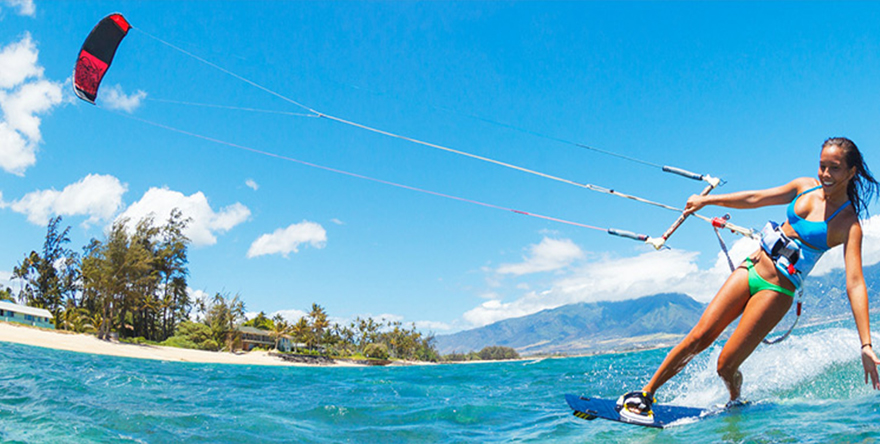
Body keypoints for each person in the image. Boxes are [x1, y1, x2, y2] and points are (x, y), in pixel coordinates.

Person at [619, 137, 880, 424]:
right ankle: (645, 394)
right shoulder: (805, 186)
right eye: (822, 166)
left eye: (835, 168)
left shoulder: (848, 224)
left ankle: (735, 400)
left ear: (851, 172)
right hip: (751, 267)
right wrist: (707, 200)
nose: (826, 174)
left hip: (776, 290)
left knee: (725, 365)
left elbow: (855, 283)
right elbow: (756, 198)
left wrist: (865, 345)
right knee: (699, 336)